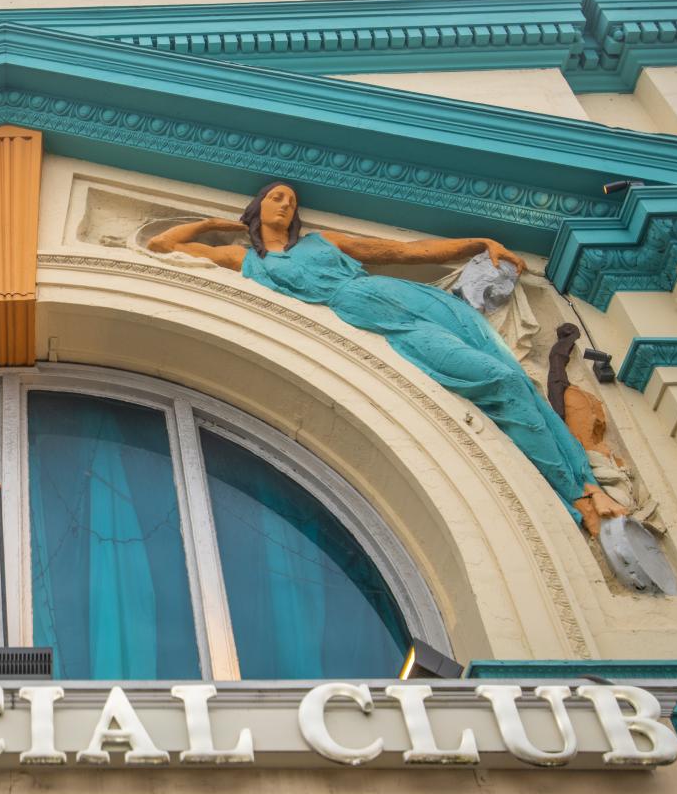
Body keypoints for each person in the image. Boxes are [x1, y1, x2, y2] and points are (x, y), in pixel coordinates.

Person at [147, 181, 623, 532]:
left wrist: (477, 244)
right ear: (256, 207)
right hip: (391, 325)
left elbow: (401, 250)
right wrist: (213, 224)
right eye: (276, 197)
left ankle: (587, 488)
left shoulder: (323, 241)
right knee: (495, 379)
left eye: (291, 201)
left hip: (410, 300)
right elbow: (163, 245)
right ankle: (573, 490)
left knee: (515, 379)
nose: (287, 204)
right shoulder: (250, 262)